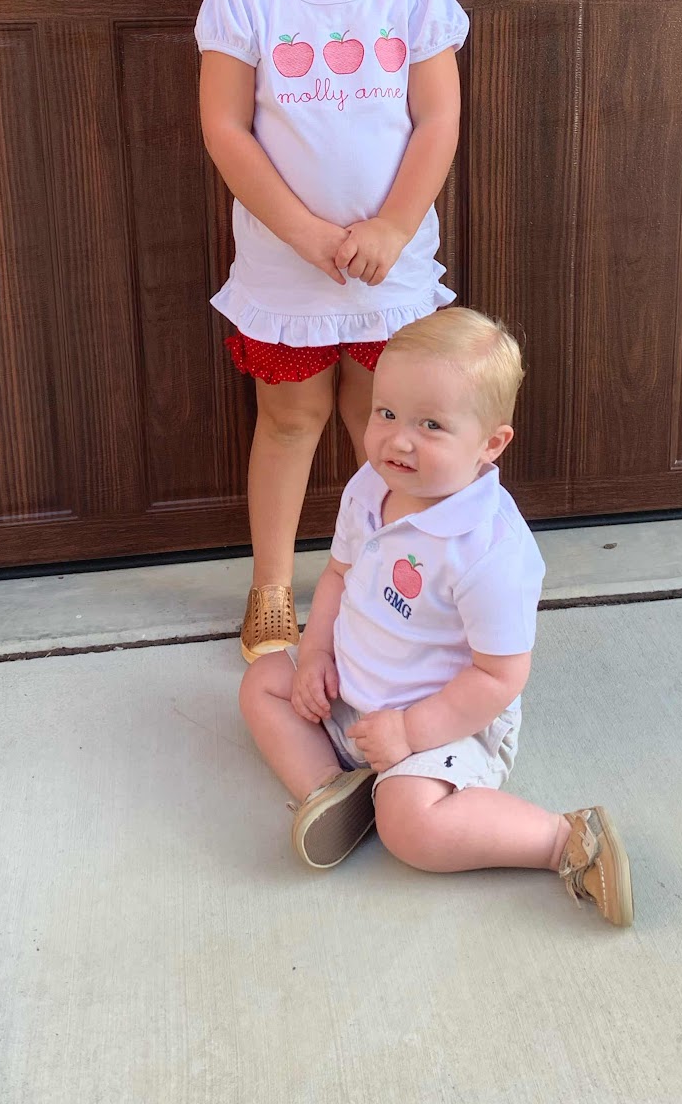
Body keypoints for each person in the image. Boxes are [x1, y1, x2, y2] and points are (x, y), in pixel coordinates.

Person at [197, 0, 466, 663]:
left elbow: (437, 121)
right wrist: (307, 233)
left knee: (383, 427)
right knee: (290, 420)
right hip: (289, 270)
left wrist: (391, 226)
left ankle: (389, 581)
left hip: (390, 271)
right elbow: (226, 129)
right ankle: (273, 586)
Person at [239, 309, 634, 928]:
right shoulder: (368, 488)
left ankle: (564, 841)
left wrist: (410, 733)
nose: (398, 440)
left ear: (490, 444)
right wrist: (314, 655)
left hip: (445, 722)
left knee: (412, 828)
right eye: (385, 413)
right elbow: (339, 575)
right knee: (265, 680)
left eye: (430, 425)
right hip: (355, 690)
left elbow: (499, 677)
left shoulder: (489, 550)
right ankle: (332, 789)